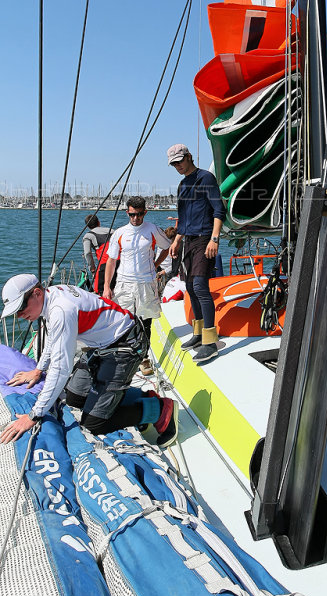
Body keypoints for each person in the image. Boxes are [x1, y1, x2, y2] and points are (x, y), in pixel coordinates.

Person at [0, 274, 178, 446]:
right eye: (16, 313)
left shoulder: (61, 310)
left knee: (94, 424)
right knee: (74, 398)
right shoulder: (51, 297)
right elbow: (53, 337)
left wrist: (34, 415)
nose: (20, 315)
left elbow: (61, 369)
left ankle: (159, 409)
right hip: (101, 345)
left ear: (37, 293)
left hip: (125, 345)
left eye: (21, 308)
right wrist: (39, 370)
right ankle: (139, 397)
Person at [167, 144, 225, 363]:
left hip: (204, 238)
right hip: (188, 241)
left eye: (180, 161)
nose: (177, 166)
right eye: (174, 164)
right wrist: (177, 240)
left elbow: (219, 210)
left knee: (200, 286)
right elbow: (183, 217)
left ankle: (210, 342)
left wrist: (214, 239)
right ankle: (199, 333)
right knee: (190, 287)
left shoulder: (206, 178)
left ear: (189, 157)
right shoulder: (183, 185)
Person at [103, 196, 172, 376]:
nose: (136, 218)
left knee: (145, 322)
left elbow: (167, 247)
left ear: (145, 213)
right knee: (124, 321)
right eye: (133, 214)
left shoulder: (153, 230)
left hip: (146, 282)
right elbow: (111, 261)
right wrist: (106, 287)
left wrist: (155, 265)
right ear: (128, 213)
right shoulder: (119, 233)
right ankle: (124, 355)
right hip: (124, 283)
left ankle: (143, 357)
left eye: (140, 215)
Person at [82, 214, 114, 294]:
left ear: (88, 226)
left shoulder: (88, 236)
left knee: (100, 292)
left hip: (104, 266)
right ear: (99, 222)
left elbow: (87, 253)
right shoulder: (112, 231)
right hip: (119, 263)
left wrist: (92, 269)